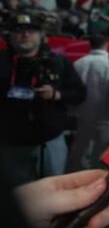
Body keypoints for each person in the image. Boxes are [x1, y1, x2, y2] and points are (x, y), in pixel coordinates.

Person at [0, 13, 86, 187]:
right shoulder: (2, 61)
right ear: (10, 36)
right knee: (16, 197)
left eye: (31, 31)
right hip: (11, 143)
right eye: (19, 31)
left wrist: (57, 95)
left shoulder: (58, 62)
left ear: (41, 36)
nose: (25, 35)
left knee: (51, 190)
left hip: (50, 141)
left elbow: (79, 93)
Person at [66, 35, 109, 172]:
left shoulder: (79, 62)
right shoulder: (107, 64)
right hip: (102, 114)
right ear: (107, 43)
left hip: (82, 113)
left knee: (79, 148)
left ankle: (71, 173)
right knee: (99, 152)